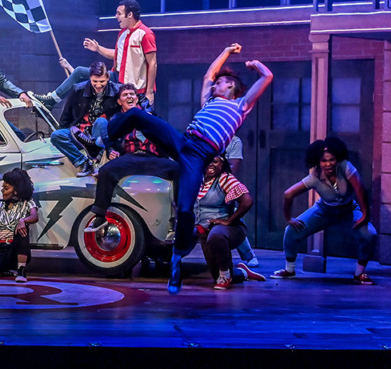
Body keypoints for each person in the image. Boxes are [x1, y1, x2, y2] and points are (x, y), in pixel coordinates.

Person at [81, 43, 272, 294]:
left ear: (233, 87)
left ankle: (177, 260)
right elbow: (208, 76)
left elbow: (267, 76)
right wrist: (225, 51)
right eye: (217, 83)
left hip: (198, 156)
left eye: (222, 83)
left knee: (184, 209)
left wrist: (254, 64)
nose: (216, 85)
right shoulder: (209, 101)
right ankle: (100, 142)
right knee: (137, 115)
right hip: (183, 141)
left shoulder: (240, 106)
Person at [270, 136, 378, 285]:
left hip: (348, 210)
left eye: (331, 160)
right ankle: (289, 269)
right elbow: (288, 194)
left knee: (370, 234)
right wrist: (289, 218)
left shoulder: (345, 167)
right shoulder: (314, 177)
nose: (328, 164)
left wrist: (365, 214)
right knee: (291, 231)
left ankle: (359, 273)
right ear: (318, 162)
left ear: (337, 159)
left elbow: (360, 189)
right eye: (324, 161)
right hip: (324, 210)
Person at [32, 0, 157, 109]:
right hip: (116, 78)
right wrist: (97, 48)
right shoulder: (123, 33)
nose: (116, 16)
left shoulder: (145, 34)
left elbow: (152, 63)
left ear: (130, 14)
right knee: (80, 72)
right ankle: (53, 99)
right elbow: (119, 55)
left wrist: (149, 92)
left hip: (134, 87)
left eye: (119, 14)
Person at [83, 83, 178, 218]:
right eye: (125, 95)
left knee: (178, 168)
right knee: (106, 171)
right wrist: (111, 150)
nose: (129, 97)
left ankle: (180, 214)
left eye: (132, 94)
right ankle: (99, 215)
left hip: (153, 158)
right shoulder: (116, 120)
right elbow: (110, 141)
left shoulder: (150, 115)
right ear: (119, 101)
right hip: (131, 158)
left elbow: (165, 136)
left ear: (137, 99)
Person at [193, 154, 265, 290]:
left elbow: (247, 201)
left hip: (229, 229)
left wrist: (228, 221)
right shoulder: (199, 180)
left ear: (222, 164)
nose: (211, 164)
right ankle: (242, 272)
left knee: (217, 236)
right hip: (205, 233)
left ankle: (225, 276)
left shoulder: (225, 179)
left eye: (215, 161)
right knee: (216, 274)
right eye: (208, 161)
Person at [49, 61, 121, 176]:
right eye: (95, 81)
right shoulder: (78, 89)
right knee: (56, 136)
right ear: (90, 78)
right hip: (81, 133)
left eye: (102, 81)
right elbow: (66, 113)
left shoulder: (117, 91)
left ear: (108, 78)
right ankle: (84, 163)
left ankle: (96, 163)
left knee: (101, 121)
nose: (98, 85)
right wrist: (61, 129)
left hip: (100, 135)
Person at [222, 135, 259, 267]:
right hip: (197, 183)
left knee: (230, 215)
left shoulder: (234, 141)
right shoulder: (198, 137)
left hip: (220, 185)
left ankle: (248, 255)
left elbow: (233, 168)